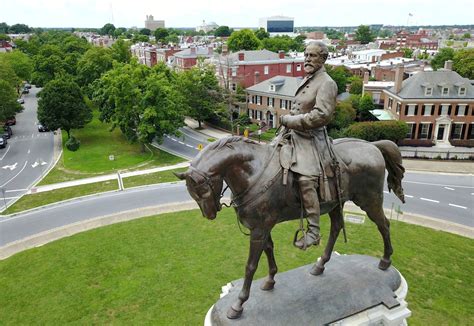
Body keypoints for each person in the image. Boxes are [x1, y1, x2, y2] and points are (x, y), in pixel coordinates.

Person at [280, 41, 338, 249]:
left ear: (323, 59)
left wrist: (291, 121)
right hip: (290, 133)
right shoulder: (307, 79)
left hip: (311, 138)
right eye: (306, 55)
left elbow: (322, 115)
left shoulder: (327, 83)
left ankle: (313, 231)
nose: (307, 59)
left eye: (312, 56)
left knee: (306, 179)